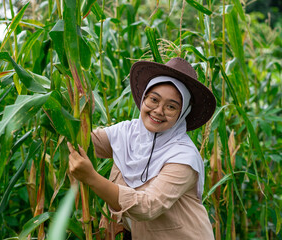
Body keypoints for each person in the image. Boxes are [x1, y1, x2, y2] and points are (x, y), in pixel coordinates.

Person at [67, 57, 216, 239]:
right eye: (154, 99)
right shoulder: (127, 132)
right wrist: (72, 105)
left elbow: (148, 206)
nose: (159, 110)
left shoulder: (183, 157)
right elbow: (84, 141)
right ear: (144, 97)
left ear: (181, 114)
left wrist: (91, 177)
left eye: (171, 106)